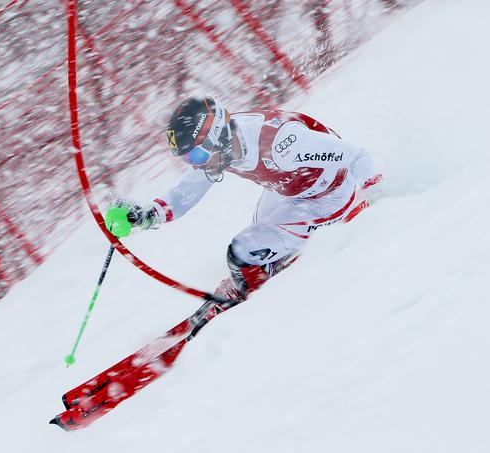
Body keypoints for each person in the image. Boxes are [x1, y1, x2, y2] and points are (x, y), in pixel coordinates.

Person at [105, 96, 383, 301]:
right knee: (256, 244)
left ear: (215, 136)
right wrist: (144, 215)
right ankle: (270, 268)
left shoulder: (282, 142)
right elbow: (185, 194)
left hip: (329, 195)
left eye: (197, 156)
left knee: (241, 253)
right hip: (290, 190)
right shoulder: (223, 146)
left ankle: (259, 294)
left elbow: (356, 155)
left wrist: (381, 206)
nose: (197, 164)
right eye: (189, 159)